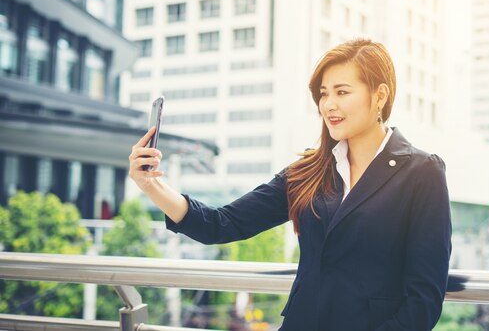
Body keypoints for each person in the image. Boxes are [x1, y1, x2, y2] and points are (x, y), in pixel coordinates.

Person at [128, 39, 452, 331]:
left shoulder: (421, 173)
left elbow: (423, 301)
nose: (328, 105)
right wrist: (152, 186)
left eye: (342, 92)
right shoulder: (308, 171)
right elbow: (221, 225)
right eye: (324, 94)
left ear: (379, 95)